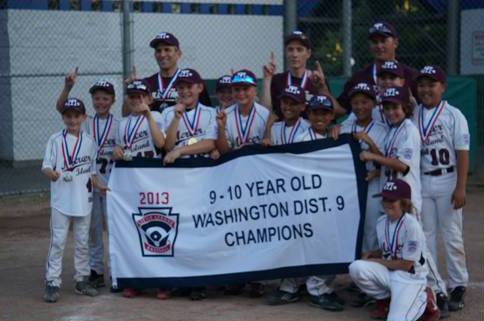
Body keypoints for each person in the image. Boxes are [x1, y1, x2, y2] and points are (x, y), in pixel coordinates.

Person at [359, 86, 449, 316]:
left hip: (407, 198)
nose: (391, 112)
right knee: (394, 246)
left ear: (405, 108)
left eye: (395, 107)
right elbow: (389, 160)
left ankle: (438, 292)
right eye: (387, 107)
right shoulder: (393, 131)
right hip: (392, 192)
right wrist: (373, 151)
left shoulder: (408, 129)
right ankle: (394, 295)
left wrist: (371, 155)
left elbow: (402, 165)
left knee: (421, 251)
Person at [55, 69, 119, 289]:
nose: (100, 102)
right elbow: (61, 108)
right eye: (97, 98)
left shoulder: (118, 124)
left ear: (113, 100)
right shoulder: (86, 121)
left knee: (114, 229)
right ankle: (96, 270)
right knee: (93, 229)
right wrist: (68, 87)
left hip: (111, 186)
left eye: (105, 98)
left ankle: (116, 270)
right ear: (92, 100)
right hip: (89, 185)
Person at [414, 65, 470, 312]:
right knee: (425, 235)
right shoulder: (413, 113)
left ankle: (458, 284)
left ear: (443, 87)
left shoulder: (453, 115)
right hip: (423, 180)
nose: (426, 89)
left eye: (432, 84)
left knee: (451, 235)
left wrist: (461, 187)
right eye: (422, 85)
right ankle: (435, 286)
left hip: (447, 179)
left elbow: (462, 153)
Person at [42, 98, 109, 303]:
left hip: (83, 200)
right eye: (68, 116)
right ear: (63, 117)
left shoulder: (89, 142)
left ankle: (81, 280)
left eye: (76, 116)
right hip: (61, 200)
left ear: (83, 117)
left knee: (82, 243)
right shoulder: (55, 139)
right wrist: (51, 174)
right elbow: (46, 166)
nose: (72, 120)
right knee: (58, 242)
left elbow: (92, 173)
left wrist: (101, 186)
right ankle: (52, 281)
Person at [349, 179, 440, 321]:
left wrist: (375, 260)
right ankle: (385, 300)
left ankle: (425, 298)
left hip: (409, 278)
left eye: (392, 200)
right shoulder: (381, 222)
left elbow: (406, 264)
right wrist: (374, 254)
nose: (387, 203)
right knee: (356, 267)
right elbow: (388, 250)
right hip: (389, 273)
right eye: (385, 199)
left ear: (404, 203)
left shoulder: (411, 226)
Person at [341, 82, 388, 252]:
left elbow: (385, 160)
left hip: (373, 182)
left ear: (373, 104)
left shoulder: (382, 129)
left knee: (371, 227)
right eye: (355, 103)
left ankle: (368, 271)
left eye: (364, 102)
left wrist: (369, 141)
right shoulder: (344, 129)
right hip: (349, 185)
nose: (360, 106)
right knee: (349, 225)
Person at [121, 32, 211, 116]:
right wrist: (129, 91)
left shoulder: (191, 81)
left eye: (167, 50)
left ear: (178, 53)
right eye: (158, 51)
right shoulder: (146, 83)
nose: (162, 54)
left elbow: (207, 112)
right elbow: (126, 115)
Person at [338, 21, 418, 114]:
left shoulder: (411, 75)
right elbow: (340, 109)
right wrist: (322, 88)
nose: (379, 46)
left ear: (395, 43)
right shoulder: (359, 78)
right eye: (375, 42)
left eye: (383, 41)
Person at [260, 31, 345, 118]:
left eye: (299, 49)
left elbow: (337, 113)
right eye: (290, 49)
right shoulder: (277, 80)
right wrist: (267, 79)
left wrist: (322, 88)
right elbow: (263, 114)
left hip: (310, 130)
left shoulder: (317, 80)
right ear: (285, 53)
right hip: (283, 130)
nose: (294, 54)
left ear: (308, 53)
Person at [162, 68, 217, 165]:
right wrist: (176, 119)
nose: (185, 91)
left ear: (200, 88)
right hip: (179, 165)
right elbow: (168, 147)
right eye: (181, 88)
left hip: (204, 166)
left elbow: (210, 143)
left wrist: (179, 151)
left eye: (189, 86)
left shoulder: (210, 112)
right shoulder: (167, 112)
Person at [216, 69, 269, 154]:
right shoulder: (226, 115)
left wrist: (251, 147)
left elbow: (269, 146)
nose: (241, 93)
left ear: (255, 91)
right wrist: (221, 128)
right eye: (237, 89)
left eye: (245, 89)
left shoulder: (264, 114)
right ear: (232, 92)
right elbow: (223, 152)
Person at [112, 79, 165, 162]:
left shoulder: (155, 116)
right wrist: (116, 151)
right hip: (130, 171)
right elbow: (118, 149)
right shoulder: (121, 123)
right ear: (127, 99)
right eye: (132, 97)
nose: (136, 100)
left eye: (141, 96)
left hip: (150, 171)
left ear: (150, 99)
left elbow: (160, 143)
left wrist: (148, 116)